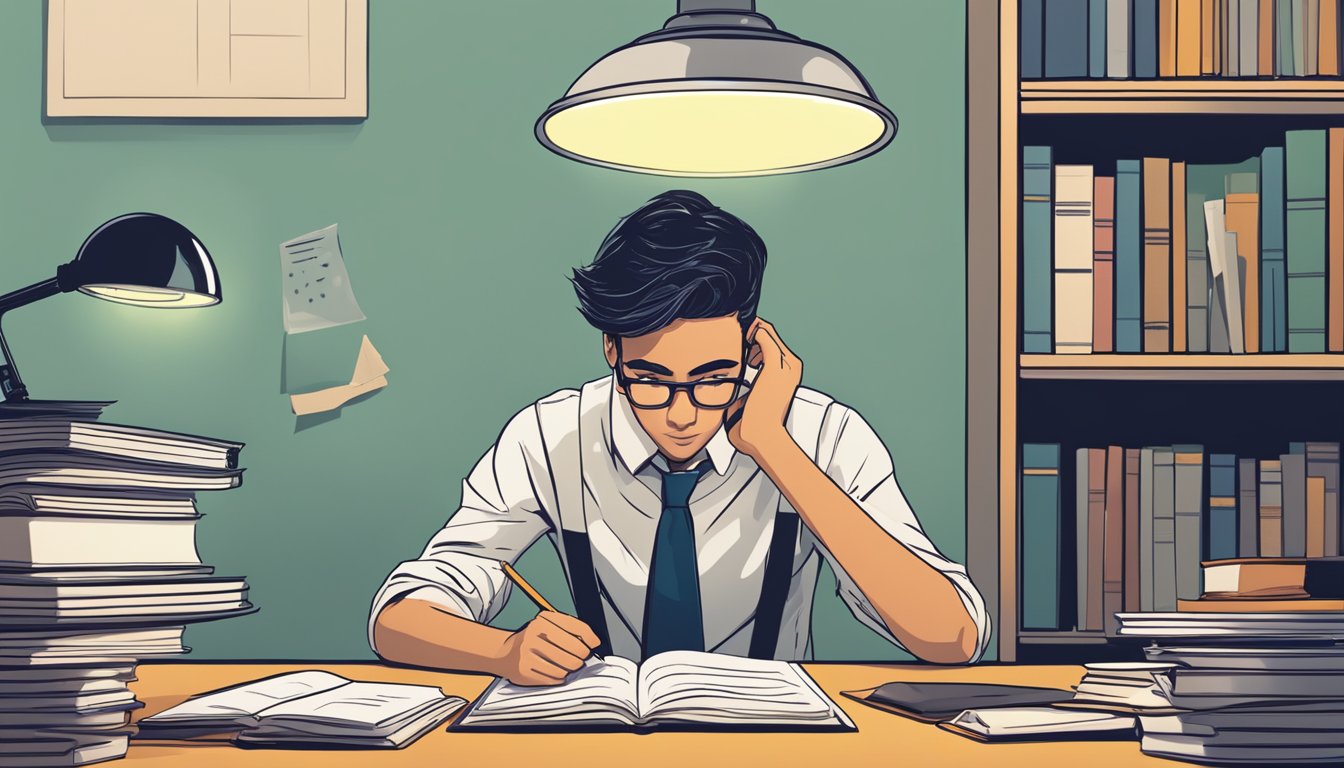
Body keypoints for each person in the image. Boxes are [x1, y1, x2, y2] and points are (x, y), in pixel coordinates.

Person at [369, 190, 989, 686]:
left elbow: (951, 636)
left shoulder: (821, 435)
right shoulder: (553, 436)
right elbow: (399, 619)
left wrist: (775, 449)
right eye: (650, 379)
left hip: (779, 752)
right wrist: (504, 649)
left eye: (713, 378)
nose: (682, 413)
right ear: (612, 350)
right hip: (605, 747)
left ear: (751, 348)